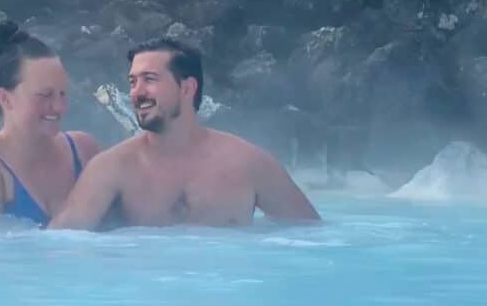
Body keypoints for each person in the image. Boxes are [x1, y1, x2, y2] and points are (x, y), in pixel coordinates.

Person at [50, 36, 320, 229]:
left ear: (187, 88)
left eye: (150, 79)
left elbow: (315, 240)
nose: (136, 92)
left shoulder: (249, 164)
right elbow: (60, 246)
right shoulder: (112, 168)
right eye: (133, 82)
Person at [0, 20, 101, 224]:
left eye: (62, 94)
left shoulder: (84, 150)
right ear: (5, 99)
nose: (59, 107)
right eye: (45, 95)